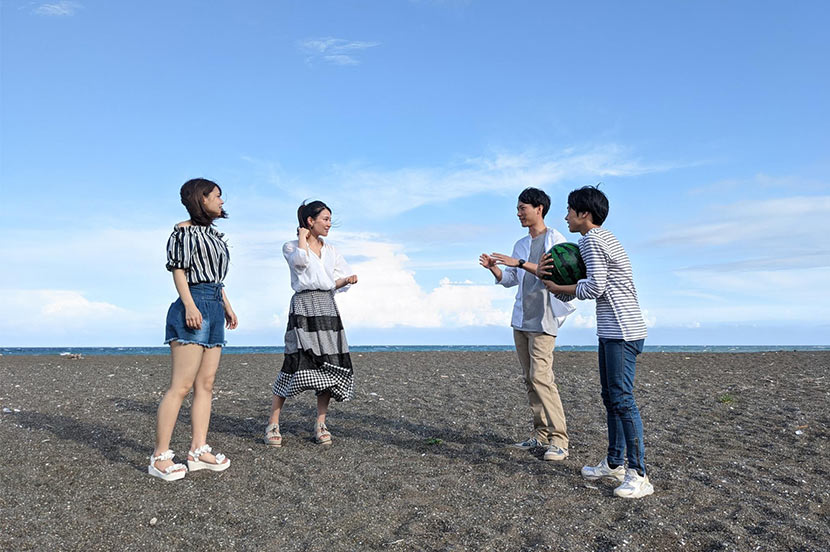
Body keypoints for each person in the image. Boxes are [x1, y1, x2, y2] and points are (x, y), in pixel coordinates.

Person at [538, 185, 653, 498]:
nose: (565, 217)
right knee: (610, 396)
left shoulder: (590, 241)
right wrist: (562, 287)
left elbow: (596, 287)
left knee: (621, 398)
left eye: (569, 211)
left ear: (583, 214)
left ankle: (638, 474)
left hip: (622, 331)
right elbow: (596, 283)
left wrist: (558, 286)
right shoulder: (605, 237)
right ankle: (614, 463)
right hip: (616, 329)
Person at [149, 178, 238, 481]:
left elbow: (216, 278)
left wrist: (226, 304)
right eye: (217, 196)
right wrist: (189, 305)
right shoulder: (183, 233)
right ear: (201, 199)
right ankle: (160, 456)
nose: (221, 201)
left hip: (213, 303)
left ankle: (198, 450)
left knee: (206, 385)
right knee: (181, 385)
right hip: (194, 303)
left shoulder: (215, 235)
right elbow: (179, 270)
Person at [479, 187, 575, 462]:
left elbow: (551, 271)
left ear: (539, 209)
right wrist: (494, 269)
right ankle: (541, 434)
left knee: (542, 378)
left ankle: (560, 440)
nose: (518, 213)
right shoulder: (520, 243)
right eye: (518, 208)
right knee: (529, 379)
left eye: (523, 208)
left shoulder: (555, 239)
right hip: (521, 319)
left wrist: (520, 263)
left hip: (544, 319)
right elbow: (510, 279)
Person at [264, 200, 358, 447]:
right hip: (303, 306)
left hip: (326, 305)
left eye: (329, 219)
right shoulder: (291, 246)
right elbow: (300, 263)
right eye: (325, 219)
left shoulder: (332, 250)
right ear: (310, 221)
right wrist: (303, 238)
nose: (329, 224)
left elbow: (332, 282)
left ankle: (320, 423)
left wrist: (347, 279)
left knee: (329, 363)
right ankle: (273, 423)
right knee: (295, 360)